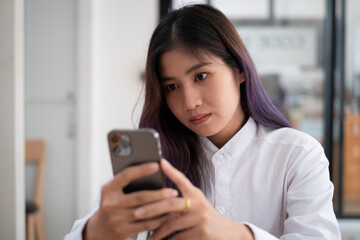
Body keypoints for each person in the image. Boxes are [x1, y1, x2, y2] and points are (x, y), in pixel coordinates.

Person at [65, 4, 341, 240]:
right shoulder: (156, 159)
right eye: (172, 87)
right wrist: (97, 229)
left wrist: (235, 233)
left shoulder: (297, 155)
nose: (189, 102)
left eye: (200, 76)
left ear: (239, 70)